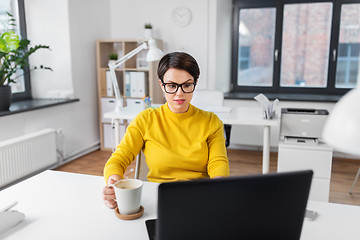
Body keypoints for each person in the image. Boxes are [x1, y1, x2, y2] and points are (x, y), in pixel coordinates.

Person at [103, 52, 229, 208]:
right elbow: (119, 159)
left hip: (199, 196)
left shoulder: (211, 121)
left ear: (195, 83)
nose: (179, 93)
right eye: (171, 86)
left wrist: (220, 187)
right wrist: (113, 185)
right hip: (159, 198)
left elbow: (218, 162)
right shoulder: (146, 119)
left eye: (187, 85)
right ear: (162, 85)